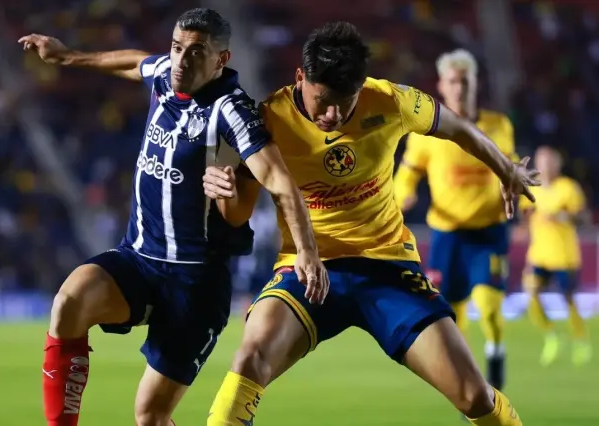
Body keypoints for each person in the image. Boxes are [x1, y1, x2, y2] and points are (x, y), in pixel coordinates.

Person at [203, 22, 538, 426]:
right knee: (249, 359)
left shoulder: (390, 101)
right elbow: (237, 215)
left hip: (388, 266)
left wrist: (506, 170)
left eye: (344, 102)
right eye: (321, 100)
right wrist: (224, 189)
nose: (332, 115)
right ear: (300, 78)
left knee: (474, 395)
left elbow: (459, 128)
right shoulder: (268, 119)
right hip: (306, 270)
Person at [19, 8, 327, 426]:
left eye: (196, 52)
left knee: (150, 416)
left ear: (221, 60)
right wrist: (68, 57)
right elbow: (134, 61)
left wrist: (307, 251)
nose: (182, 59)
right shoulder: (166, 74)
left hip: (195, 284)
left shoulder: (231, 111)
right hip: (139, 260)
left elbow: (279, 180)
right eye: (177, 47)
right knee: (69, 301)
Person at [394, 48, 517, 391]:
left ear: (475, 83)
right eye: (453, 81)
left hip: (490, 230)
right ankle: (468, 381)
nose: (460, 88)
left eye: (465, 81)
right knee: (453, 313)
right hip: (449, 235)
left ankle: (495, 359)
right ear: (441, 86)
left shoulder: (498, 126)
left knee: (489, 306)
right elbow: (407, 172)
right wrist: (402, 193)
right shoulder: (426, 134)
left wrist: (516, 180)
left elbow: (510, 163)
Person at [519, 146, 592, 366]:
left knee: (568, 299)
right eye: (541, 161)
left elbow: (584, 218)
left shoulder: (568, 188)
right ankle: (551, 336)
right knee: (531, 292)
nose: (545, 166)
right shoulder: (532, 188)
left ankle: (580, 340)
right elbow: (526, 216)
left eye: (549, 161)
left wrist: (565, 216)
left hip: (564, 255)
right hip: (539, 254)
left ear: (557, 164)